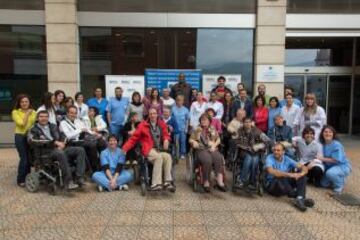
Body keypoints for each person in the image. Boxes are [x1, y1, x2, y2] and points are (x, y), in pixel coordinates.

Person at [28, 110, 86, 189]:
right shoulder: (33, 129)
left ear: (48, 118)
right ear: (37, 118)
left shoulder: (53, 126)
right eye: (41, 117)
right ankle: (68, 181)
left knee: (80, 150)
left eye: (46, 116)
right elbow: (34, 141)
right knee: (60, 153)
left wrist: (62, 143)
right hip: (46, 152)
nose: (44, 118)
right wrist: (55, 143)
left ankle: (79, 177)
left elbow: (63, 135)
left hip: (59, 148)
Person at [122, 108, 175, 191]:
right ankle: (156, 183)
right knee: (158, 157)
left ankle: (167, 182)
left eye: (154, 113)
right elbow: (134, 138)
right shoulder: (142, 125)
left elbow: (166, 134)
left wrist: (166, 139)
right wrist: (125, 148)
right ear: (149, 115)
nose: (153, 115)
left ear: (157, 115)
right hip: (147, 149)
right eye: (151, 114)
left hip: (158, 149)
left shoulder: (161, 124)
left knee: (168, 156)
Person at [265, 143, 315, 212]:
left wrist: (301, 174)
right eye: (274, 150)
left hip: (285, 184)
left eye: (278, 150)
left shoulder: (287, 159)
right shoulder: (269, 158)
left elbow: (303, 167)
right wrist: (290, 175)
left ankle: (299, 198)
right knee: (280, 176)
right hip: (273, 186)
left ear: (283, 152)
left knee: (302, 177)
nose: (275, 152)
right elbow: (272, 171)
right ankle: (301, 198)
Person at [60, 106, 106, 172]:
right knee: (92, 144)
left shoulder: (77, 121)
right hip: (72, 143)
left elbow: (86, 129)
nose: (73, 115)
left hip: (81, 141)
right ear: (67, 113)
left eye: (75, 113)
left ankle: (103, 165)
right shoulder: (63, 123)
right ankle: (94, 168)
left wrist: (95, 134)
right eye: (71, 113)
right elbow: (69, 136)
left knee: (102, 142)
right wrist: (80, 130)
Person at [189, 113, 227, 192]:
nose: (203, 121)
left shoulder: (212, 128)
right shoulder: (197, 129)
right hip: (201, 149)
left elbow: (218, 139)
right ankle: (206, 181)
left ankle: (219, 180)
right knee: (207, 160)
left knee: (218, 157)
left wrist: (214, 146)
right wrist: (193, 142)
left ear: (209, 121)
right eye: (202, 120)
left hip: (211, 148)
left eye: (205, 120)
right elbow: (190, 139)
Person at [234, 117, 269, 190]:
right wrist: (247, 147)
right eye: (246, 122)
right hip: (244, 152)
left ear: (251, 123)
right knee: (249, 158)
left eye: (249, 122)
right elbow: (236, 141)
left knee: (255, 159)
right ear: (243, 123)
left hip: (255, 152)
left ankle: (249, 182)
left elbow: (267, 140)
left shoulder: (257, 131)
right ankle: (244, 181)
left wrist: (259, 146)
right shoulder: (239, 131)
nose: (247, 124)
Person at [12, 94, 36, 187]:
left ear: (29, 102)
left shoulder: (34, 112)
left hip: (30, 137)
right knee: (24, 158)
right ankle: (20, 179)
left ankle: (27, 178)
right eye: (22, 102)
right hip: (20, 136)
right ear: (19, 103)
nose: (24, 103)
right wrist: (27, 113)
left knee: (29, 158)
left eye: (26, 101)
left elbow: (34, 124)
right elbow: (22, 124)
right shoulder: (15, 112)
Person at [318, 126, 351, 193]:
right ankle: (335, 178)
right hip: (330, 167)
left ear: (333, 134)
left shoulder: (336, 145)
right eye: (326, 132)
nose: (328, 134)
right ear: (322, 133)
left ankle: (339, 185)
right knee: (323, 184)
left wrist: (322, 159)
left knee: (330, 173)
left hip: (341, 166)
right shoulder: (322, 144)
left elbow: (336, 160)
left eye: (330, 132)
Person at [171, 95, 189, 160]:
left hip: (183, 128)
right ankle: (175, 153)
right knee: (175, 141)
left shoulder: (186, 109)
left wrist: (186, 128)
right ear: (176, 101)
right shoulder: (173, 109)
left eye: (181, 100)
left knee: (183, 141)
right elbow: (171, 118)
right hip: (175, 129)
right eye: (178, 100)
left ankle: (182, 154)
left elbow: (187, 119)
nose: (179, 101)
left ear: (183, 101)